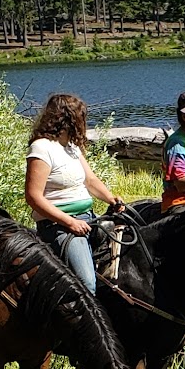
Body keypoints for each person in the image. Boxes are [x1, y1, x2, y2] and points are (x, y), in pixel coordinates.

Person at [24, 92, 122, 294]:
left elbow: (90, 180)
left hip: (87, 220)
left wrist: (111, 198)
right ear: (68, 119)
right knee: (86, 283)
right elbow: (33, 197)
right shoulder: (41, 148)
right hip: (59, 226)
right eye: (81, 117)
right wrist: (70, 222)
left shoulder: (71, 148)